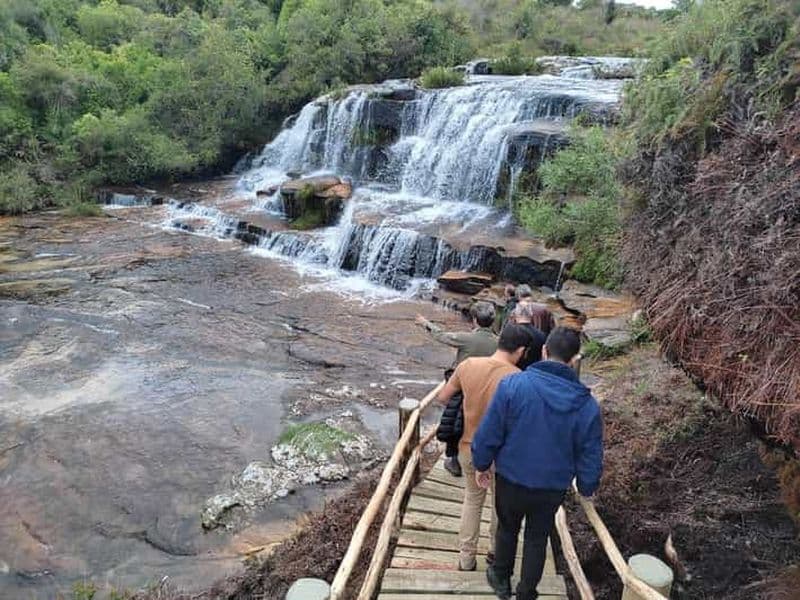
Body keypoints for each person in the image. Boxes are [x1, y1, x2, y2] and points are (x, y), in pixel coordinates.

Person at [472, 327, 603, 600]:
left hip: (510, 476)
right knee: (536, 538)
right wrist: (587, 487)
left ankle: (500, 579)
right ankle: (526, 592)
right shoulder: (587, 405)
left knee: (507, 529)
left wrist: (481, 463)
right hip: (551, 486)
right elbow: (590, 453)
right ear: (574, 359)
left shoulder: (514, 385)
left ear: (544, 351)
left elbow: (490, 431)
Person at [436, 324, 533, 572]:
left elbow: (443, 397)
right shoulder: (519, 379)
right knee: (499, 505)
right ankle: (494, 552)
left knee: (472, 500)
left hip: (468, 447)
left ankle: (466, 559)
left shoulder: (468, 366)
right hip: (503, 454)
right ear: (521, 350)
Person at [416, 302, 498, 476]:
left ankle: (455, 462)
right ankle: (477, 461)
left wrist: (425, 323)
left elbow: (443, 336)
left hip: (463, 388)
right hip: (487, 391)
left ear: (475, 320)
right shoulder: (498, 342)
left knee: (456, 425)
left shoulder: (467, 338)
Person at [509, 303, 546, 369]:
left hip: (511, 369)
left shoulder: (510, 332)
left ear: (516, 314)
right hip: (531, 370)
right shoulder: (541, 335)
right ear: (531, 314)